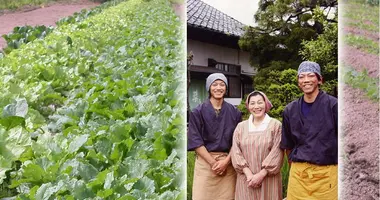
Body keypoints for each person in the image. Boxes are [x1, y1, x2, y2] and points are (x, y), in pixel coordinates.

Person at [280, 61, 338, 200]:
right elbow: (287, 145)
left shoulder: (334, 105)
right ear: (298, 82)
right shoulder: (290, 110)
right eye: (301, 76)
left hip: (326, 174)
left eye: (310, 75)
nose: (306, 80)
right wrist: (296, 166)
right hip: (298, 175)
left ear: (319, 80)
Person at [188, 73, 242, 200]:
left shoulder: (235, 112)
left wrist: (226, 162)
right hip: (205, 162)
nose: (218, 88)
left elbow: (238, 141)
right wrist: (213, 163)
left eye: (222, 84)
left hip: (228, 163)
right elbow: (195, 141)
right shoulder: (197, 112)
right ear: (209, 87)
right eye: (215, 84)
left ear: (226, 88)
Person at [231, 91, 284, 200]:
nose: (256, 106)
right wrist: (249, 175)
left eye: (260, 103)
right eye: (252, 103)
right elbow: (236, 152)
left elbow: (277, 152)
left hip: (268, 179)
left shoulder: (275, 126)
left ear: (266, 104)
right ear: (248, 106)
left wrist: (261, 175)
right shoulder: (240, 127)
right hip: (246, 179)